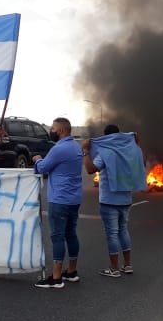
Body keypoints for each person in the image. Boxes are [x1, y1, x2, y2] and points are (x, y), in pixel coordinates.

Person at [83, 124, 146, 278]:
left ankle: (114, 268)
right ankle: (128, 265)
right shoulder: (131, 151)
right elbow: (135, 136)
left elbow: (91, 169)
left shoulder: (105, 152)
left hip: (109, 200)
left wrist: (85, 152)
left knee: (112, 234)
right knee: (123, 231)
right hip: (126, 199)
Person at [32, 118, 84, 289]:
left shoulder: (59, 148)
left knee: (57, 236)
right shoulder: (76, 146)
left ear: (60, 130)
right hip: (74, 198)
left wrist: (38, 159)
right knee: (71, 234)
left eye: (52, 128)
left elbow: (42, 168)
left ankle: (56, 277)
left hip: (60, 199)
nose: (51, 131)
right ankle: (72, 271)